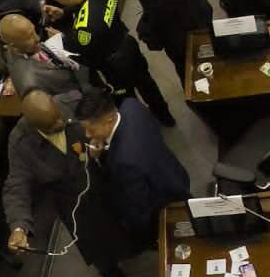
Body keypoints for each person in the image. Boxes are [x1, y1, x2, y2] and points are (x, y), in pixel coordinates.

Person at [3, 91, 131, 277]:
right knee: (96, 246)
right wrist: (18, 227)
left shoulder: (71, 102)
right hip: (72, 202)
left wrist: (102, 146)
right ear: (35, 127)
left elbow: (106, 117)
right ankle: (113, 276)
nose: (61, 122)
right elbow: (16, 186)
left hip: (103, 178)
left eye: (59, 116)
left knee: (128, 216)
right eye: (53, 124)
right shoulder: (20, 143)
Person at [47, 0, 176, 126]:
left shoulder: (84, 30)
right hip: (127, 43)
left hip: (114, 65)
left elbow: (82, 55)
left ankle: (140, 126)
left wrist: (60, 39)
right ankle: (165, 117)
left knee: (126, 101)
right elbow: (85, 3)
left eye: (60, 1)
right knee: (147, 84)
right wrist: (64, 13)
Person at [76, 89, 190, 250]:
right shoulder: (131, 105)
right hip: (173, 174)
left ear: (109, 120)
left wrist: (98, 158)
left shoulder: (123, 161)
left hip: (161, 201)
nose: (87, 135)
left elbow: (139, 206)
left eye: (91, 129)